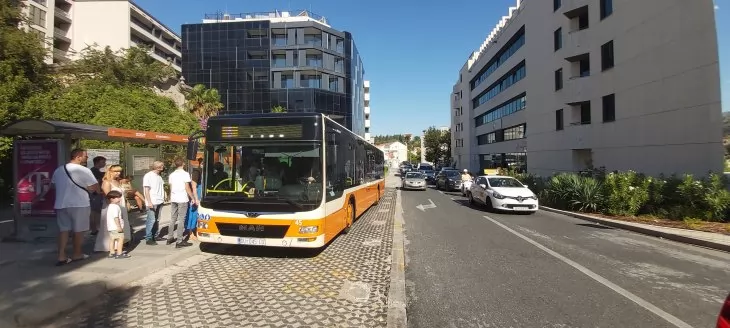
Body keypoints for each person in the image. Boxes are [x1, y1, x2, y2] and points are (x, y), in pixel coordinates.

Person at [51, 148, 100, 266]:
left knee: (63, 230)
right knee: (79, 230)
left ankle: (61, 256)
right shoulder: (84, 170)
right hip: (80, 203)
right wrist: (88, 188)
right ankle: (77, 254)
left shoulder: (59, 170)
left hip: (61, 204)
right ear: (78, 156)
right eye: (85, 156)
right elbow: (95, 188)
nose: (87, 158)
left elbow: (53, 185)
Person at [94, 165, 131, 253]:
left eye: (119, 171)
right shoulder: (107, 182)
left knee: (121, 224)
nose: (118, 173)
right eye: (116, 171)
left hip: (121, 205)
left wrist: (126, 202)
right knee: (112, 226)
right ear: (110, 171)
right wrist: (114, 208)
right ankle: (109, 246)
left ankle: (118, 245)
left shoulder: (118, 182)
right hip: (111, 207)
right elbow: (108, 197)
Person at [167, 158, 196, 248]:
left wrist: (171, 196)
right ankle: (179, 240)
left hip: (174, 198)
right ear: (183, 164)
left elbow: (171, 187)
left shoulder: (172, 174)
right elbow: (187, 187)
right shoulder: (185, 174)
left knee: (173, 218)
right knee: (181, 219)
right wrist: (192, 197)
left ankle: (170, 237)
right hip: (182, 198)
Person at [143, 161, 166, 245]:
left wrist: (164, 197)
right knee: (151, 220)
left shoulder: (159, 176)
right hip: (152, 201)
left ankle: (155, 235)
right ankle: (148, 238)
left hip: (159, 200)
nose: (163, 167)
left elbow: (161, 187)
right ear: (158, 167)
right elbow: (146, 189)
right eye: (162, 165)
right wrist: (149, 202)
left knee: (157, 219)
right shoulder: (148, 176)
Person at [105, 190, 130, 259]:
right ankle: (119, 253)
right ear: (112, 199)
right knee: (120, 239)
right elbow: (116, 217)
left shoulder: (109, 206)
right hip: (116, 227)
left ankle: (112, 252)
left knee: (112, 239)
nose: (119, 199)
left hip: (111, 227)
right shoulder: (116, 207)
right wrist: (119, 226)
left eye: (119, 197)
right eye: (117, 197)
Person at [89, 156, 106, 236]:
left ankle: (95, 229)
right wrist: (99, 192)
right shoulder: (94, 171)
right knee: (95, 211)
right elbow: (96, 182)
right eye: (103, 162)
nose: (104, 164)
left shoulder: (94, 170)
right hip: (95, 194)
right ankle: (95, 229)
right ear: (98, 162)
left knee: (95, 211)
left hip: (95, 194)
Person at [185, 169, 202, 242]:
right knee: (192, 215)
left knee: (195, 215)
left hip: (197, 198)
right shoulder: (196, 174)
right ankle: (191, 234)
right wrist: (195, 199)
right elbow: (194, 188)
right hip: (195, 199)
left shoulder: (198, 173)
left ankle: (194, 232)